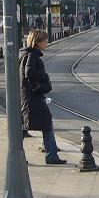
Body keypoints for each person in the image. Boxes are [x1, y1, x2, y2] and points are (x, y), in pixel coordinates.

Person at [20, 29, 65, 164]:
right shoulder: (32, 55)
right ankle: (51, 155)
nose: (46, 42)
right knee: (46, 123)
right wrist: (44, 77)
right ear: (37, 42)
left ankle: (19, 154)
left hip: (27, 96)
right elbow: (29, 72)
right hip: (33, 97)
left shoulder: (26, 54)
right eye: (44, 40)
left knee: (24, 126)